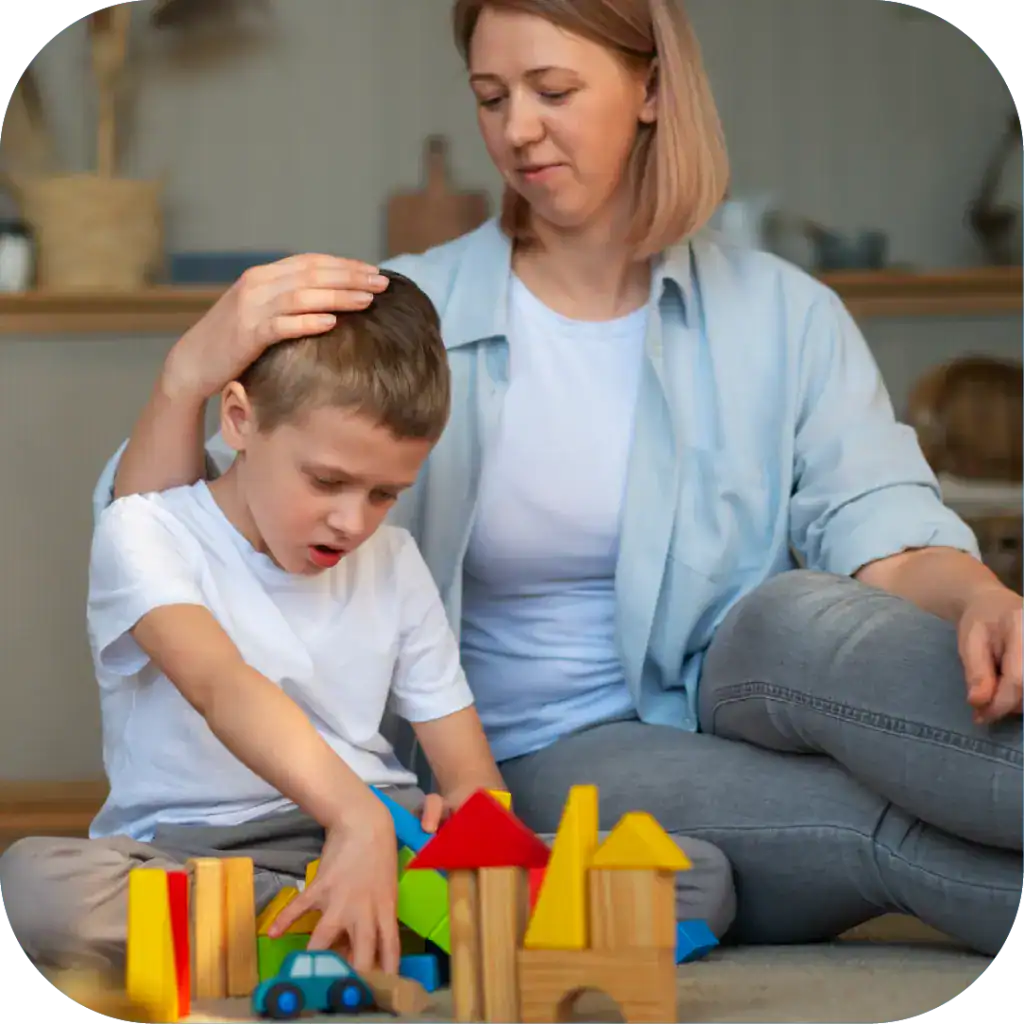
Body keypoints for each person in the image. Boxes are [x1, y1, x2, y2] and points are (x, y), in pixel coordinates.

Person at [32, 0, 1024, 959]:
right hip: (533, 752)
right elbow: (193, 526)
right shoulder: (408, 314)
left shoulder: (783, 314)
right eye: (490, 94)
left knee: (810, 614)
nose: (518, 129)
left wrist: (978, 595)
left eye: (551, 89)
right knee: (857, 818)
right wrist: (188, 374)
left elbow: (882, 533)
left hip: (725, 686)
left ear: (649, 86)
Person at [0, 272, 735, 977]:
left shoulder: (394, 560)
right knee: (36, 887)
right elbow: (222, 685)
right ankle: (363, 928)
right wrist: (355, 821)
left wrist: (476, 836)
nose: (352, 521)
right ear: (239, 419)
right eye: (326, 481)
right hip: (201, 850)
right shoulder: (146, 532)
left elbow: (469, 769)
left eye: (385, 493)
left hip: (387, 831)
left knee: (699, 875)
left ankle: (346, 928)